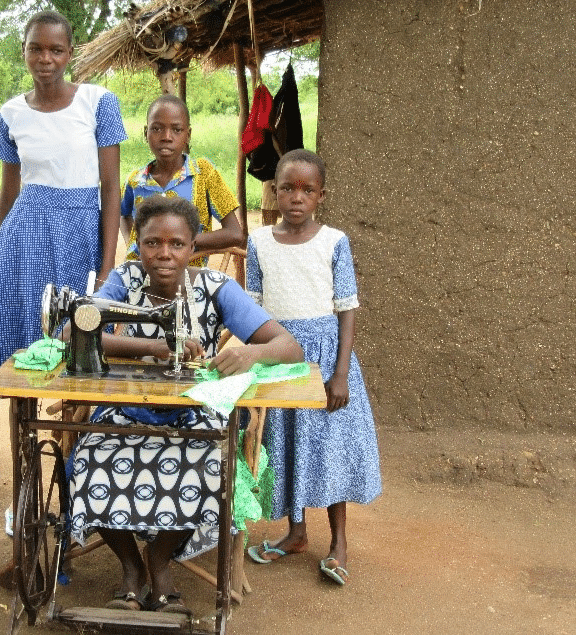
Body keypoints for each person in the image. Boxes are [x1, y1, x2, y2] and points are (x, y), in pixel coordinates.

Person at [68, 196, 304, 612]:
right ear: (137, 244)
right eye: (152, 243)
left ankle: (159, 561)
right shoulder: (125, 280)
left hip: (195, 414)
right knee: (87, 458)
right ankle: (130, 568)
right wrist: (153, 347)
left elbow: (289, 346)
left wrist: (250, 354)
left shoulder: (216, 289)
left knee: (212, 466)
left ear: (193, 246)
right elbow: (78, 331)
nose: (163, 254)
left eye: (176, 244)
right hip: (127, 412)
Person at [244, 149, 382, 586]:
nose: (296, 198)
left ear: (321, 195)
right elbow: (253, 310)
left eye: (307, 190)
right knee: (287, 448)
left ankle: (338, 543)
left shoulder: (334, 241)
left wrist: (339, 373)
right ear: (275, 191)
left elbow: (346, 311)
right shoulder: (259, 242)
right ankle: (296, 533)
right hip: (280, 358)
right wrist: (255, 363)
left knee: (328, 451)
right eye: (287, 188)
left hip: (324, 362)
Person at [0, 10, 127, 378]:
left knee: (80, 338)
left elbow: (111, 188)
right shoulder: (11, 113)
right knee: (26, 344)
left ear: (70, 52)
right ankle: (27, 431)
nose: (45, 59)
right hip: (24, 238)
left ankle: (71, 433)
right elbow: (8, 193)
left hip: (81, 232)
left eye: (56, 50)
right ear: (23, 50)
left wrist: (107, 265)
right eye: (36, 49)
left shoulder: (98, 103)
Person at [120, 94, 243, 267]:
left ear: (188, 134)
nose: (166, 137)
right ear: (145, 132)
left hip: (188, 280)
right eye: (157, 129)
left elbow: (235, 234)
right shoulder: (135, 181)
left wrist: (182, 241)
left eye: (176, 130)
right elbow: (123, 214)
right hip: (139, 277)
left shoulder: (204, 174)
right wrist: (133, 243)